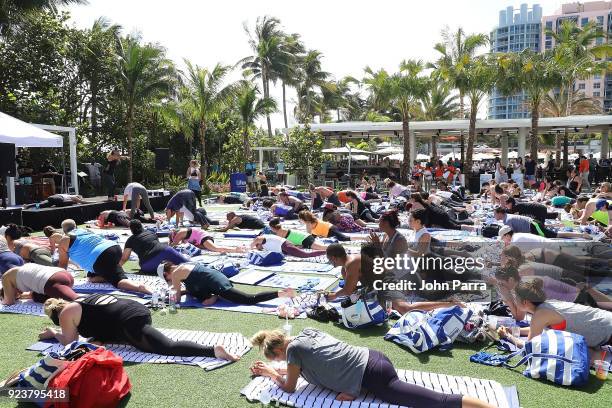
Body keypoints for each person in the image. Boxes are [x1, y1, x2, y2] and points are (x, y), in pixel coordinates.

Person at [250, 328, 493, 408]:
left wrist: (270, 373)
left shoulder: (293, 353)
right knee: (437, 399)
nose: (281, 364)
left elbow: (290, 389)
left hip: (373, 376)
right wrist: (281, 369)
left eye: (278, 361)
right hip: (374, 358)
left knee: (438, 402)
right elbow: (323, 360)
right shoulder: (306, 334)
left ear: (279, 352)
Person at [40, 294, 239, 361]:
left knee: (166, 348)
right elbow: (102, 323)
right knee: (99, 341)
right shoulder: (81, 301)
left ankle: (214, 351)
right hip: (135, 311)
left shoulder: (66, 312)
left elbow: (70, 343)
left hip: (129, 322)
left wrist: (54, 333)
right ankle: (214, 350)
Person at [497, 280, 612, 355]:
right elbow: (539, 330)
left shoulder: (541, 314)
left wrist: (508, 336)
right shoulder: (546, 305)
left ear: (525, 301)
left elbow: (530, 347)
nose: (513, 301)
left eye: (515, 298)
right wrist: (512, 330)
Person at [56, 220, 150, 295]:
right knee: (91, 277)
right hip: (114, 248)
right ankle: (112, 273)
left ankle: (139, 288)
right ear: (75, 226)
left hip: (101, 257)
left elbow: (63, 265)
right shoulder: (85, 230)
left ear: (63, 230)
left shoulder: (65, 239)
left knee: (119, 281)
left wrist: (60, 282)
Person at [493, 266, 611, 321]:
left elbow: (519, 317)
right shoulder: (525, 279)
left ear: (511, 280)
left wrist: (507, 299)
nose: (500, 286)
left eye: (501, 283)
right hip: (581, 297)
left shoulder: (521, 288)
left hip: (578, 306)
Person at [159, 262, 295, 305]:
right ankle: (214, 295)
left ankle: (281, 293)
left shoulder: (176, 274)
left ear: (166, 274)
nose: (169, 281)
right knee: (192, 291)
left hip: (217, 284)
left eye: (166, 279)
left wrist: (166, 299)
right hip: (216, 278)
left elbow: (175, 299)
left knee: (248, 299)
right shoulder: (182, 266)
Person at [120, 220, 188, 275]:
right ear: (141, 226)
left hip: (147, 263)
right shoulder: (150, 233)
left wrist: (116, 268)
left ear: (131, 230)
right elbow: (157, 246)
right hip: (164, 251)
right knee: (187, 265)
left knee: (166, 270)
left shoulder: (130, 240)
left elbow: (124, 258)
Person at [1, 263, 77, 305]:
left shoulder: (6, 278)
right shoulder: (20, 273)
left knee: (77, 302)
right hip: (64, 275)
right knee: (38, 297)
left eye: (16, 295)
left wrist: (3, 301)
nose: (18, 294)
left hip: (52, 281)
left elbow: (9, 302)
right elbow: (33, 291)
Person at [494, 208, 589, 239]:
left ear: (500, 213)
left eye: (495, 214)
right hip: (534, 224)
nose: (494, 216)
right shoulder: (508, 216)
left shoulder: (507, 220)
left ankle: (582, 235)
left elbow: (510, 235)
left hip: (534, 226)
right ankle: (574, 227)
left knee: (556, 235)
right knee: (554, 231)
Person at [169, 227, 246, 253]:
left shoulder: (180, 233)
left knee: (216, 249)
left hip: (204, 238)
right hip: (202, 240)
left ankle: (236, 249)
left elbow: (174, 244)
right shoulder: (183, 235)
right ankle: (236, 249)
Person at [251, 234, 326, 258]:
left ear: (258, 244)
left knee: (305, 255)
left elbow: (257, 239)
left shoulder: (262, 239)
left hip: (284, 245)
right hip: (284, 249)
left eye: (258, 247)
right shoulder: (264, 244)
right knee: (298, 254)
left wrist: (250, 247)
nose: (260, 249)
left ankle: (326, 251)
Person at [23, 194, 90, 209]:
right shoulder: (74, 197)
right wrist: (93, 202)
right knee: (71, 203)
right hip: (58, 199)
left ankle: (28, 206)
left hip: (51, 198)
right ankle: (56, 205)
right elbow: (82, 202)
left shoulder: (66, 195)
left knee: (41, 205)